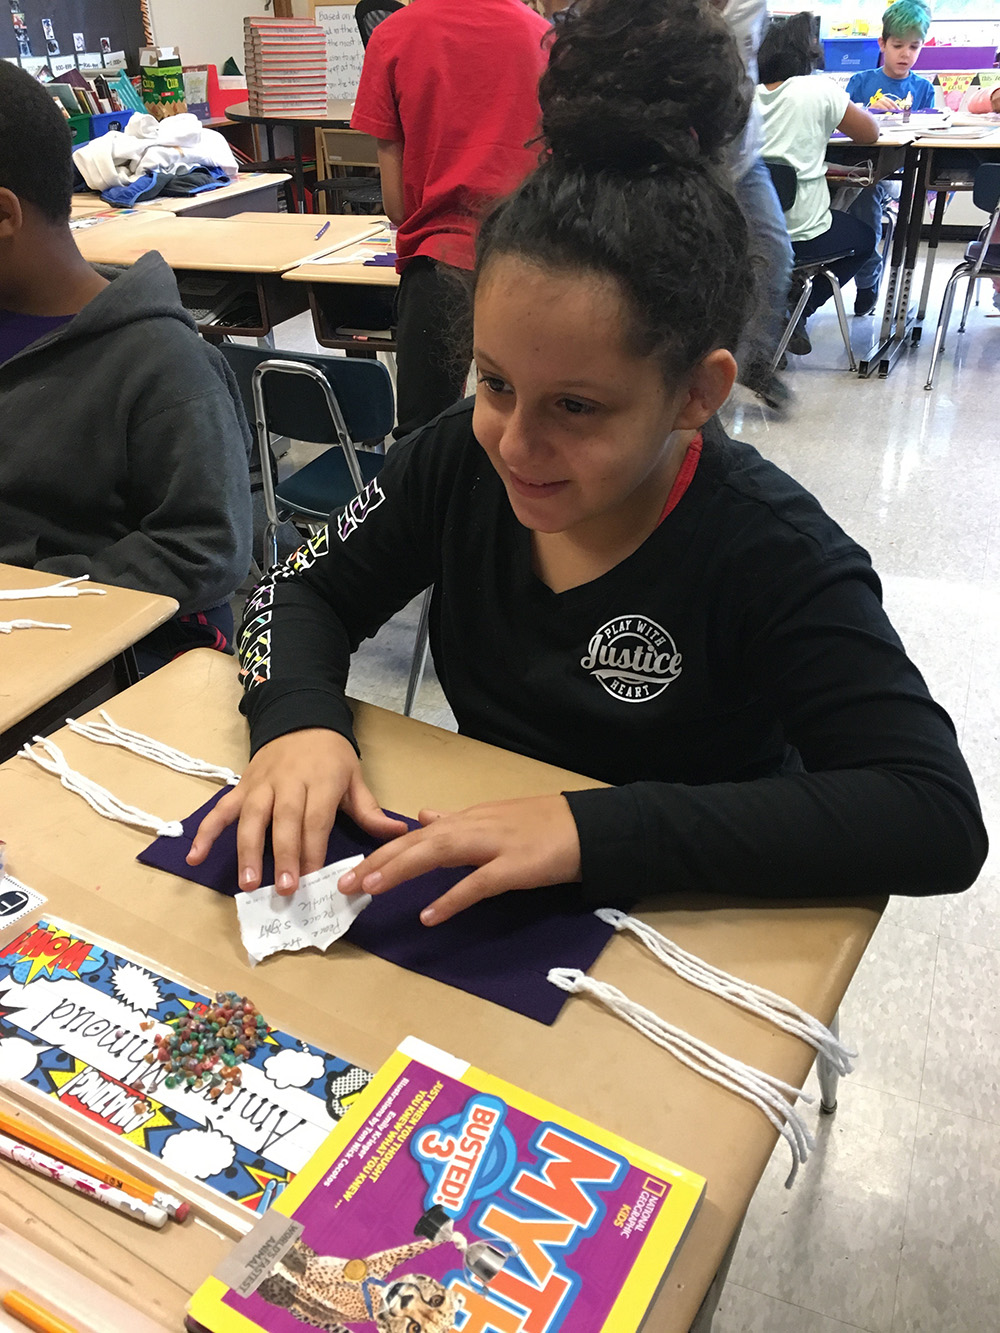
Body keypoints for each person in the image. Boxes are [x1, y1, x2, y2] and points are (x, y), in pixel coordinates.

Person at [189, 0, 986, 924]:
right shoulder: (457, 462)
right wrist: (297, 720)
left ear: (697, 393)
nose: (516, 445)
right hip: (492, 911)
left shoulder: (768, 550)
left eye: (576, 406)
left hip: (681, 928)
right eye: (494, 383)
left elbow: (934, 813)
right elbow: (297, 590)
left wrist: (589, 831)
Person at [0, 63, 253, 673]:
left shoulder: (162, 365)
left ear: (4, 216)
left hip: (91, 660)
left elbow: (207, 551)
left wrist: (23, 588)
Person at [350, 0, 550, 440]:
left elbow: (397, 206)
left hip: (438, 265)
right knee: (536, 433)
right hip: (533, 265)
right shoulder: (545, 38)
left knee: (423, 440)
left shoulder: (393, 36)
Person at [756, 13, 879, 356]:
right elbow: (870, 133)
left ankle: (774, 314)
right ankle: (798, 312)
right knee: (864, 238)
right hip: (805, 235)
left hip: (745, 234)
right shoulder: (818, 89)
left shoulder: (741, 95)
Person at [721, 0, 795, 411]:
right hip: (688, 152)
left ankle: (756, 360)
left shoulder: (753, 4)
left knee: (775, 251)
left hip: (743, 156)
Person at [845, 1, 935, 315]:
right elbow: (843, 128)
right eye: (898, 45)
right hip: (859, 165)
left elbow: (930, 133)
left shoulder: (923, 88)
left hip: (896, 172)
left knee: (866, 196)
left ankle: (868, 280)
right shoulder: (861, 81)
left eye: (914, 46)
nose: (905, 54)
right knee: (856, 192)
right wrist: (869, 111)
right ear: (882, 44)